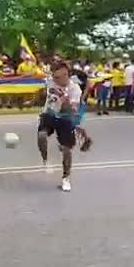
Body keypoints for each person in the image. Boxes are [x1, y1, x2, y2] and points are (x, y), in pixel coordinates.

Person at [37, 61, 83, 192]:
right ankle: (45, 160)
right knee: (41, 136)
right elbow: (42, 87)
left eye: (58, 78)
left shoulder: (75, 89)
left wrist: (63, 98)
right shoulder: (51, 81)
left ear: (66, 75)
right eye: (54, 77)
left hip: (65, 118)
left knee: (67, 150)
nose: (55, 80)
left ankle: (66, 178)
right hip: (49, 115)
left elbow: (73, 110)